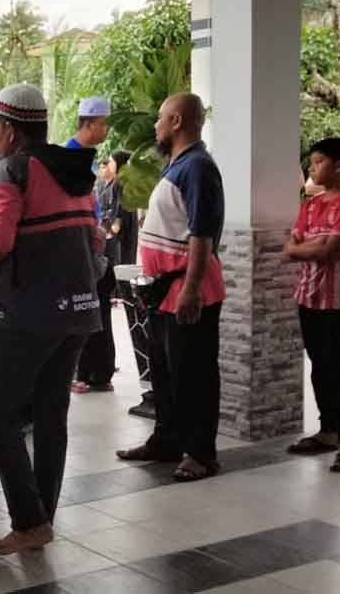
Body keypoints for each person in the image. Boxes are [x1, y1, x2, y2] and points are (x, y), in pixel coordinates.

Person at [0, 83, 102, 554]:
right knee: (52, 415)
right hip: (81, 309)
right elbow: (96, 243)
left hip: (31, 311)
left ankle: (28, 520)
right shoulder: (77, 171)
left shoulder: (12, 169)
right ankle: (41, 520)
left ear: (10, 129)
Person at [116, 93, 226, 483]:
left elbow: (201, 235)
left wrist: (191, 290)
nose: (156, 126)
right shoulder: (176, 166)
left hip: (188, 289)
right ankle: (167, 439)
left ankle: (200, 453)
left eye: (161, 119)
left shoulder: (197, 167)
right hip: (165, 291)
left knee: (193, 374)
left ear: (177, 121)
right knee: (164, 371)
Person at [285, 138, 340, 473]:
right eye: (312, 162)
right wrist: (311, 246)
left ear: (339, 166)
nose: (312, 168)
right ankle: (327, 431)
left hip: (339, 301)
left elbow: (329, 250)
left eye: (318, 162)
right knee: (319, 367)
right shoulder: (311, 204)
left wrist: (312, 246)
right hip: (308, 296)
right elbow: (291, 247)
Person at [72, 150, 129, 393]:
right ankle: (100, 373)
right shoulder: (95, 194)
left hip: (94, 268)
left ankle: (85, 375)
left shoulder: (88, 197)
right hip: (102, 266)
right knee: (100, 320)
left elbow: (110, 229)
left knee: (88, 322)